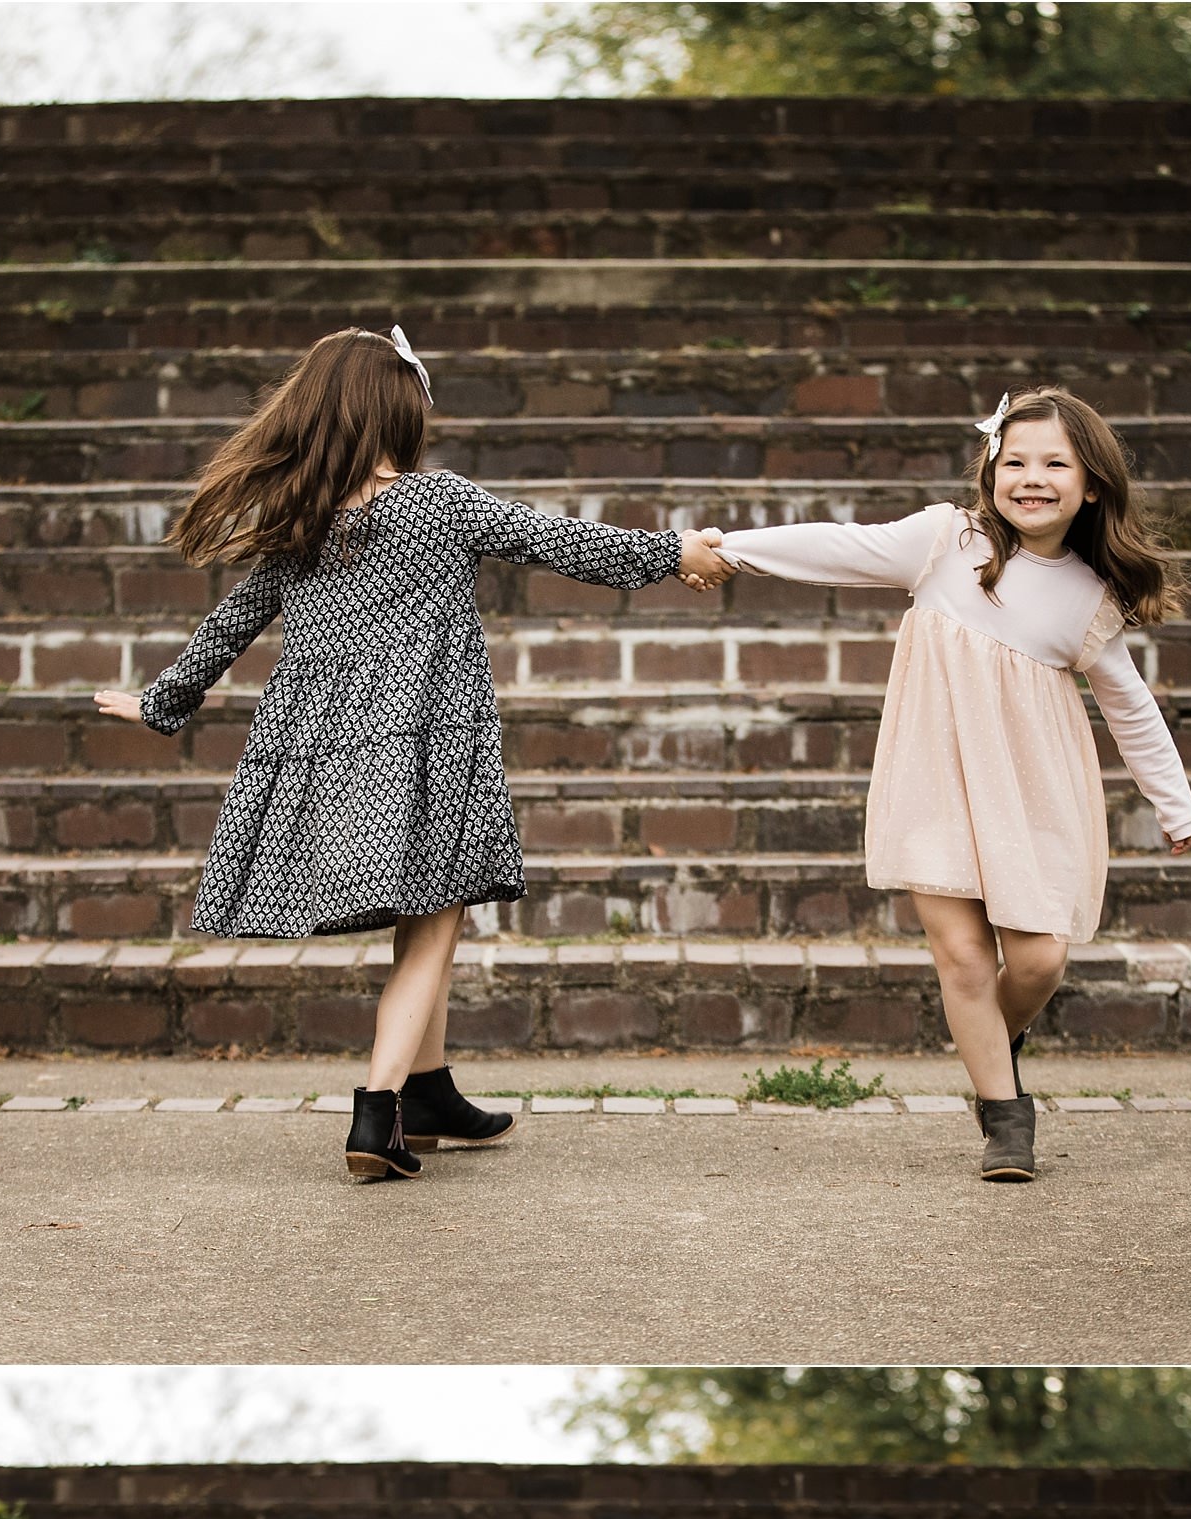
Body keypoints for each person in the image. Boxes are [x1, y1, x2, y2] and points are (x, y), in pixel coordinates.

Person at [91, 321, 724, 1179]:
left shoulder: (305, 519)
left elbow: (231, 622)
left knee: (430, 911)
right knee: (434, 923)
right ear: (397, 414)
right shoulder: (436, 501)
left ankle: (427, 1092)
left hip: (328, 747)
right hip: (426, 741)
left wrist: (163, 701)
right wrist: (671, 551)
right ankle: (377, 1111)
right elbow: (561, 541)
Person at [686, 386, 1191, 1175]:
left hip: (1031, 792)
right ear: (990, 466)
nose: (1031, 477)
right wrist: (736, 548)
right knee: (962, 958)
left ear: (1092, 484)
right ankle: (1006, 1118)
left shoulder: (1090, 598)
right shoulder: (944, 540)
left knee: (1038, 962)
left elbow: (1130, 707)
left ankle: (990, 1037)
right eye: (1015, 459)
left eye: (1055, 464)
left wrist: (1174, 803)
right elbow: (840, 547)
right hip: (935, 777)